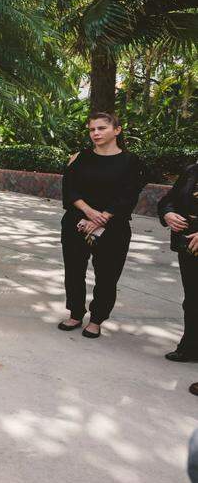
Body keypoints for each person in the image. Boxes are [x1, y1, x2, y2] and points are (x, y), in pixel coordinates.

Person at [58, 112, 147, 339]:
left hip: (114, 227)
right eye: (91, 129)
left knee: (107, 276)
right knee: (74, 271)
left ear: (116, 130)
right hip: (76, 222)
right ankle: (76, 313)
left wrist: (104, 216)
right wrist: (89, 212)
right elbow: (69, 189)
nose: (95, 133)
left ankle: (97, 319)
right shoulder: (79, 158)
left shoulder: (131, 161)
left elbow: (129, 194)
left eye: (101, 128)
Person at [158, 156, 198, 364]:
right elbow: (169, 199)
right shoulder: (192, 170)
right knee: (192, 300)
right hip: (189, 247)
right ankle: (190, 348)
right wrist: (168, 214)